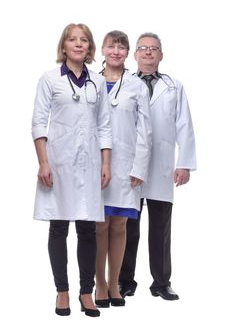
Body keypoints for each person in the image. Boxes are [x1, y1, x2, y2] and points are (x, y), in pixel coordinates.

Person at [31, 23, 112, 317]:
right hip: (59, 163)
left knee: (87, 228)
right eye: (72, 40)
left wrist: (105, 163)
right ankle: (62, 291)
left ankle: (86, 293)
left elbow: (104, 125)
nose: (79, 44)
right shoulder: (50, 79)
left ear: (90, 48)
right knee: (59, 225)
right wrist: (43, 162)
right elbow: (39, 122)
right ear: (63, 46)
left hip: (89, 164)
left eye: (84, 40)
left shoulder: (98, 82)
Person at [119, 32, 197, 300]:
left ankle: (161, 282)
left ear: (161, 55)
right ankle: (124, 280)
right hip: (129, 168)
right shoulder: (122, 83)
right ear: (135, 55)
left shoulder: (174, 86)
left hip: (162, 167)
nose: (148, 52)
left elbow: (184, 125)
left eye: (154, 49)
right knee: (127, 227)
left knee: (161, 228)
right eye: (143, 48)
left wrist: (184, 163)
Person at [95, 31, 152, 308]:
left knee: (119, 225)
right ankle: (100, 285)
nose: (116, 51)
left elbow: (146, 131)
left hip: (127, 165)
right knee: (98, 226)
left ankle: (115, 283)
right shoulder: (90, 82)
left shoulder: (136, 85)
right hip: (95, 165)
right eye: (111, 46)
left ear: (127, 52)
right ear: (103, 50)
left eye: (121, 47)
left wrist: (140, 167)